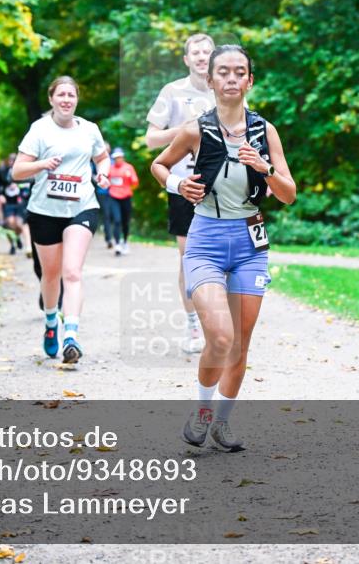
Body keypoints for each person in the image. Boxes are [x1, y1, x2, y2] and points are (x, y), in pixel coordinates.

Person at [150, 45, 295, 452]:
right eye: (224, 73)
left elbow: (288, 194)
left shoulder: (264, 131)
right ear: (211, 80)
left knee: (240, 344)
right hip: (207, 243)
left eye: (239, 72)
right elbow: (159, 164)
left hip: (250, 244)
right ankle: (201, 409)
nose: (231, 79)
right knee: (219, 336)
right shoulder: (196, 129)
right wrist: (178, 185)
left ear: (250, 80)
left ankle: (223, 423)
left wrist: (263, 167)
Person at [12, 76, 111, 364]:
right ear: (51, 99)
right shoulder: (39, 130)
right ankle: (51, 321)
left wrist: (103, 172)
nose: (66, 99)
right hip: (44, 211)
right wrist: (43, 164)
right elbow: (17, 171)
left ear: (77, 99)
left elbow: (102, 158)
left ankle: (71, 335)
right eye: (61, 95)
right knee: (50, 275)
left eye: (71, 95)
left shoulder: (89, 130)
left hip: (82, 206)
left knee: (72, 272)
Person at [144, 33, 216, 352]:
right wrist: (187, 129)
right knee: (189, 258)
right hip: (184, 185)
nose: (201, 57)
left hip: (223, 186)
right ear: (186, 60)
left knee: (221, 257)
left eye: (206, 52)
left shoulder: (226, 88)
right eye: (195, 53)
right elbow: (151, 140)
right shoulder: (172, 92)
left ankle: (217, 322)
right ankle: (193, 328)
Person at [106, 147, 139, 256]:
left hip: (126, 197)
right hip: (113, 197)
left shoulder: (129, 168)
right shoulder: (110, 168)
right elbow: (106, 181)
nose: (117, 160)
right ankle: (117, 244)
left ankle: (124, 241)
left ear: (123, 157)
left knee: (125, 222)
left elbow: (135, 183)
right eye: (115, 158)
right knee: (117, 220)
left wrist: (130, 178)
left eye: (119, 157)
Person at [93, 142, 118, 250]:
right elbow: (91, 174)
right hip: (102, 192)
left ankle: (116, 237)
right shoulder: (96, 162)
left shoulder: (114, 162)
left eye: (107, 150)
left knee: (115, 217)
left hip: (115, 193)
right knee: (106, 215)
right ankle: (109, 239)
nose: (106, 151)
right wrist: (100, 178)